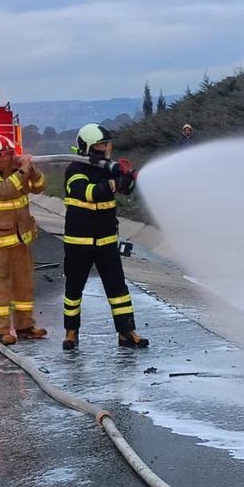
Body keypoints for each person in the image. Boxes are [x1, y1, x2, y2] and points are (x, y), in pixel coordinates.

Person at [61, 123, 148, 350]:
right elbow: (88, 193)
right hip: (79, 242)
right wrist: (112, 183)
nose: (107, 148)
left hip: (107, 240)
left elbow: (124, 189)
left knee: (118, 290)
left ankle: (127, 332)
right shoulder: (74, 171)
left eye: (107, 143)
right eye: (102, 144)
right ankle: (71, 332)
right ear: (89, 146)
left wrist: (129, 176)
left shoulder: (106, 168)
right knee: (73, 290)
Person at [0, 134, 48, 345]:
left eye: (9, 153)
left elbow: (40, 185)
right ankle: (1, 331)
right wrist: (23, 169)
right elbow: (5, 190)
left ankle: (25, 326)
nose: (6, 158)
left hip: (20, 242)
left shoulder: (19, 173)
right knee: (1, 289)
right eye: (0, 155)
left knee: (24, 286)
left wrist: (31, 168)